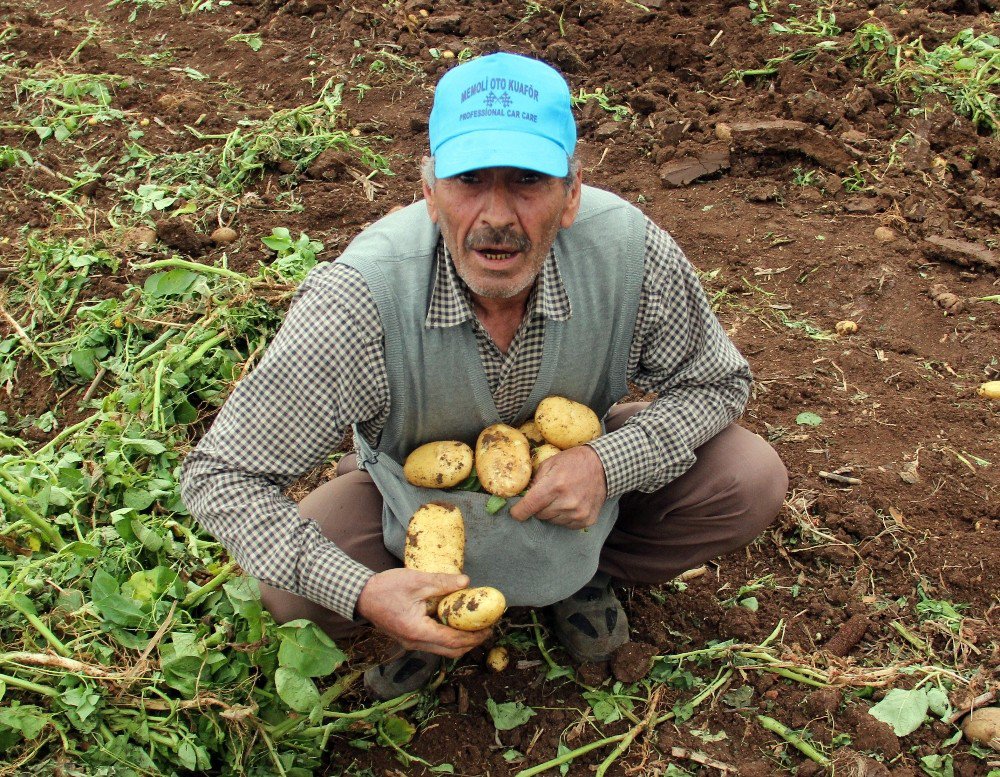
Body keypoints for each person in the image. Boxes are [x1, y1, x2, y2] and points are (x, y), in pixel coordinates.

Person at [181, 52, 788, 700]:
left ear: (572, 193)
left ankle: (578, 574)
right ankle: (415, 608)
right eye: (469, 180)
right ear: (430, 191)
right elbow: (221, 475)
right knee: (292, 592)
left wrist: (609, 464)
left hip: (582, 502)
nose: (497, 215)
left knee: (747, 478)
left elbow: (718, 382)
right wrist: (363, 591)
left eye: (527, 181)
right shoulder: (361, 303)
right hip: (403, 510)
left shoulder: (628, 256)